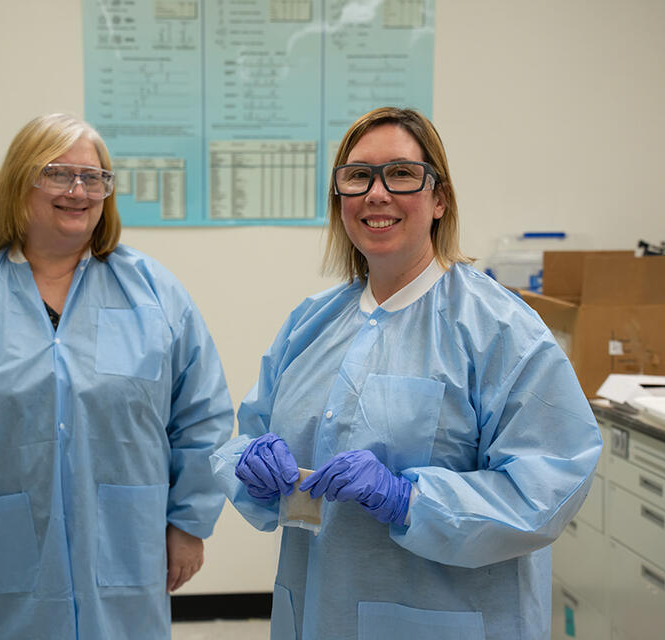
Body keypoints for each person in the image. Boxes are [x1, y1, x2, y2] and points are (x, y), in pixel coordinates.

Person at [210, 106, 602, 640]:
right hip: (318, 613)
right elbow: (251, 435)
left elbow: (547, 489)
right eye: (357, 176)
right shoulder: (311, 322)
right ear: (339, 198)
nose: (376, 194)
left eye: (400, 174)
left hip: (447, 620)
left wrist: (408, 499)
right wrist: (249, 464)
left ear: (439, 198)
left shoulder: (500, 329)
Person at [0, 113, 234, 639]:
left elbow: (200, 414)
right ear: (19, 183)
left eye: (93, 177)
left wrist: (188, 523)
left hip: (125, 546)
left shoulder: (153, 293)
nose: (78, 190)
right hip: (5, 554)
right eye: (58, 173)